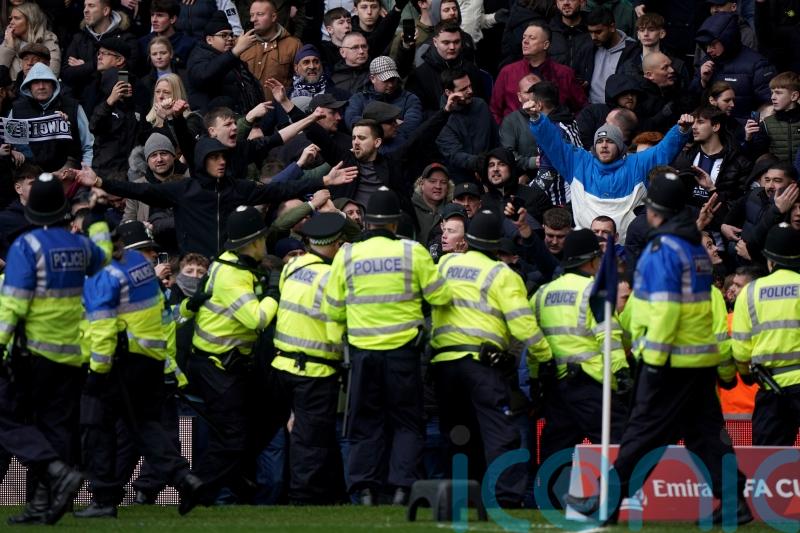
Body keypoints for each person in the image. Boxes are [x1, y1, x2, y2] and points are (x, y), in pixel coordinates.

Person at [565, 171, 752, 526]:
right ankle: (734, 503)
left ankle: (605, 502)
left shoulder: (663, 247)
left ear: (653, 210)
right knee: (706, 438)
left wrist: (652, 358)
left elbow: (665, 309)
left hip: (669, 360)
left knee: (642, 435)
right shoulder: (693, 245)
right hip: (697, 359)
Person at [322, 187, 452, 505]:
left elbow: (332, 309)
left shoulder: (347, 255)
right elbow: (442, 297)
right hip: (404, 353)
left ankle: (364, 489)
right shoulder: (413, 252)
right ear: (395, 222)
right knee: (407, 423)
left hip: (362, 353)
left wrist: (337, 350)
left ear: (367, 222)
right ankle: (401, 488)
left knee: (366, 422)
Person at [0, 174, 112, 525]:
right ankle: (42, 503)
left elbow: (13, 306)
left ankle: (54, 472)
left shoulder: (26, 246)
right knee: (56, 429)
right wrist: (96, 220)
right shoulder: (79, 245)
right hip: (70, 354)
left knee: (9, 420)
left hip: (32, 353)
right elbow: (104, 259)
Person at [78, 222, 203, 518]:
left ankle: (104, 500)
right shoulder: (141, 271)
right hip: (150, 362)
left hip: (117, 363)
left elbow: (104, 326)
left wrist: (97, 370)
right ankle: (183, 478)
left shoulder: (104, 275)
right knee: (145, 427)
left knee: (97, 429)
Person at [430, 208, 552, 507]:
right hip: (482, 365)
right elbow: (523, 323)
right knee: (501, 431)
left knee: (458, 433)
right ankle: (505, 497)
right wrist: (544, 356)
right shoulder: (502, 274)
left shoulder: (445, 264)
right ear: (497, 244)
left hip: (443, 363)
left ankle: (460, 496)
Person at [186, 206, 282, 505]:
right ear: (253, 242)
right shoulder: (232, 275)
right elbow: (257, 319)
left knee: (264, 418)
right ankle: (197, 490)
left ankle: (233, 479)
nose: (266, 241)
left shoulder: (234, 264)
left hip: (229, 365)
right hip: (216, 366)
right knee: (234, 435)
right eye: (262, 237)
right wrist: (274, 296)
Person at [533, 228, 630, 506]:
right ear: (591, 261)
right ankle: (615, 498)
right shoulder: (594, 291)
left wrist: (538, 377)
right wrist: (621, 372)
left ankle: (551, 502)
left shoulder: (542, 293)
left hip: (556, 382)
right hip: (592, 383)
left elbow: (533, 338)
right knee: (619, 440)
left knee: (557, 446)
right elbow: (607, 335)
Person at [523, 98, 694, 241]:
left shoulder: (638, 163)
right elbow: (553, 143)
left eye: (610, 141)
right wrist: (537, 118)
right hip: (588, 249)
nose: (604, 146)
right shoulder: (578, 162)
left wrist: (681, 130)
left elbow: (663, 150)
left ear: (620, 146)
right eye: (600, 142)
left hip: (625, 248)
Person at [269, 212, 347, 504]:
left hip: (282, 365)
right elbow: (337, 320)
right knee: (310, 441)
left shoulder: (293, 266)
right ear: (337, 244)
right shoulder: (332, 277)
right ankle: (303, 500)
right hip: (315, 370)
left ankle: (329, 494)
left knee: (303, 436)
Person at [731, 223, 800, 445]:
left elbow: (741, 350)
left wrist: (746, 372)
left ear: (769, 260)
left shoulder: (750, 293)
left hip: (771, 389)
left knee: (767, 465)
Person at [490, 21, 587, 123]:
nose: (525, 41)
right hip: (516, 133)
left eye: (532, 38)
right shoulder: (507, 72)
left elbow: (583, 107)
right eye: (524, 37)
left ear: (545, 45)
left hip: (553, 133)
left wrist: (568, 128)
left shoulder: (564, 73)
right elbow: (494, 110)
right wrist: (505, 133)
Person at [9, 63, 94, 172]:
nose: (41, 86)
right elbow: (8, 144)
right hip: (29, 177)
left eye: (46, 81)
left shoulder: (73, 107)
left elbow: (88, 146)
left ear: (54, 84)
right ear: (29, 86)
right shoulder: (17, 110)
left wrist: (86, 171)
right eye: (36, 82)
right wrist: (12, 152)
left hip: (66, 176)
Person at [693, 12, 775, 122]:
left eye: (713, 44)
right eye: (706, 45)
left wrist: (753, 129)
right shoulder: (706, 63)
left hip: (743, 133)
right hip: (713, 132)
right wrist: (702, 82)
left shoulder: (757, 64)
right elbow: (690, 102)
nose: (708, 50)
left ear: (727, 39)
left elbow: (770, 103)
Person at [60, 0, 138, 106]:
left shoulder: (126, 38)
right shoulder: (79, 39)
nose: (85, 10)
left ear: (105, 11)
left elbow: (127, 72)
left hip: (116, 107)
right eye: (85, 6)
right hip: (83, 105)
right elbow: (66, 74)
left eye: (91, 6)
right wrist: (96, 66)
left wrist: (84, 67)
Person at [185, 11, 264, 114]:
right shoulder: (198, 55)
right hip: (213, 122)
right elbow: (204, 76)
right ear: (209, 40)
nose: (230, 39)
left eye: (231, 35)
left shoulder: (232, 58)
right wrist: (235, 52)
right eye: (224, 35)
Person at [436, 68, 498, 183]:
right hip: (461, 180)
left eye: (470, 86)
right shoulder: (442, 120)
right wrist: (479, 163)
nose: (470, 91)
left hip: (491, 173)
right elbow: (454, 155)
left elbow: (495, 139)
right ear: (449, 93)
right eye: (464, 89)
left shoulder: (481, 105)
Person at [572, 7, 637, 105]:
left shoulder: (632, 51)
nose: (593, 37)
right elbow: (575, 75)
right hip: (590, 109)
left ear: (612, 27)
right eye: (590, 32)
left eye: (598, 32)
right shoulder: (587, 49)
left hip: (619, 112)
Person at [240, 0, 302, 101]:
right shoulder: (242, 44)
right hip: (249, 112)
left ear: (273, 17)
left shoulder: (293, 45)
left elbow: (301, 81)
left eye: (260, 14)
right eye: (251, 15)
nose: (253, 19)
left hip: (280, 110)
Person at [745, 71, 800, 164]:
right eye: (772, 93)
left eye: (778, 93)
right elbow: (755, 158)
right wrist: (748, 139)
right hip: (776, 176)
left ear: (794, 96)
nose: (772, 97)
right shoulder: (766, 124)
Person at [0, 2, 60, 82]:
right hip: (12, 91)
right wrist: (9, 47)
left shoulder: (48, 39)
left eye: (17, 18)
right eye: (11, 18)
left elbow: (52, 73)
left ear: (30, 20)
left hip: (36, 90)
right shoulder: (10, 39)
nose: (11, 23)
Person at [137, 0, 196, 69]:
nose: (154, 20)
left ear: (173, 19)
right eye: (152, 15)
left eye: (160, 15)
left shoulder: (188, 44)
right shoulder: (143, 43)